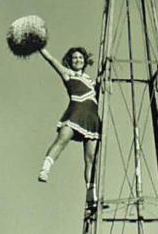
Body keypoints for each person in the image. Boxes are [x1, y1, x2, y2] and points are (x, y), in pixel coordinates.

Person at [37, 46, 101, 204]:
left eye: (80, 57)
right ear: (70, 61)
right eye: (74, 58)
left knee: (91, 157)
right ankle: (45, 169)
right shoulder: (68, 74)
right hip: (76, 111)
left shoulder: (92, 81)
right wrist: (40, 47)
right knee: (62, 138)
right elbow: (51, 60)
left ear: (85, 60)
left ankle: (91, 191)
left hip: (92, 117)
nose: (78, 60)